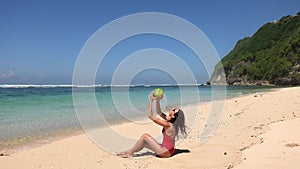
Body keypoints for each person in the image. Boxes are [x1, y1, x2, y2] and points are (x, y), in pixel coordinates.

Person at [116, 92, 187, 158]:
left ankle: (129, 153)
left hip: (165, 152)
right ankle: (127, 152)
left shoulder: (169, 125)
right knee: (143, 143)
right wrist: (158, 100)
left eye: (174, 110)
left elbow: (150, 115)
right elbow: (159, 112)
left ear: (173, 116)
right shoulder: (170, 121)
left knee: (145, 136)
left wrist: (151, 100)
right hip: (168, 150)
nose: (173, 108)